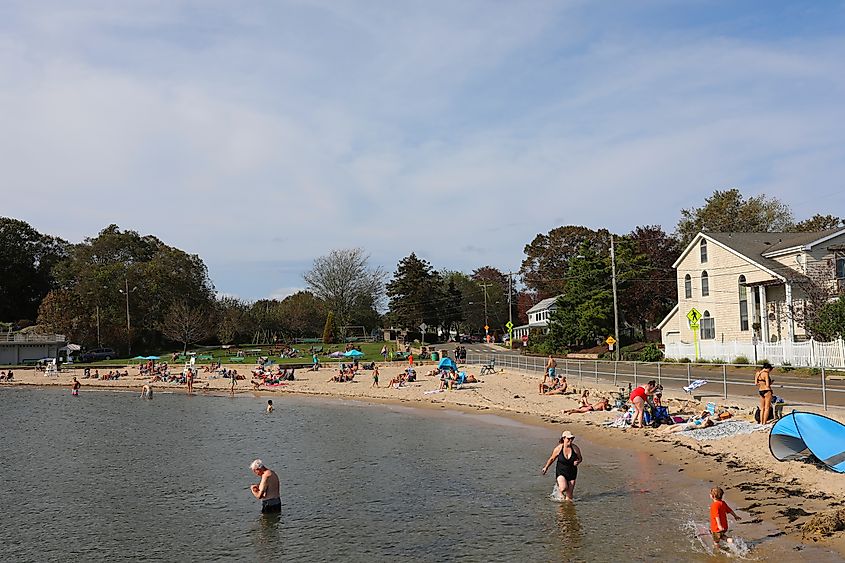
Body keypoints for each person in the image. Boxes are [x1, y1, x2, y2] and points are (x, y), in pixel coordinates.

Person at [541, 430, 582, 501]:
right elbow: (552, 459)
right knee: (563, 488)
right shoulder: (559, 448)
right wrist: (546, 468)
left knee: (569, 498)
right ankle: (559, 490)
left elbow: (580, 458)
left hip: (572, 472)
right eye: (568, 438)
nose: (570, 440)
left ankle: (564, 511)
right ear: (563, 438)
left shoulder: (575, 448)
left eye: (572, 439)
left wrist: (577, 462)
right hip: (561, 472)